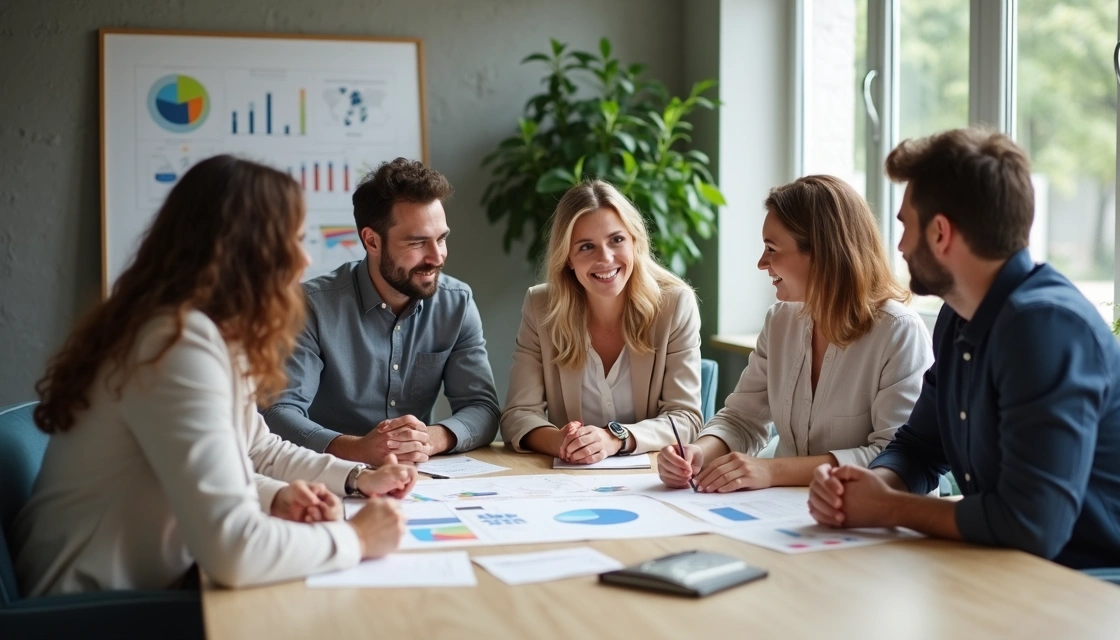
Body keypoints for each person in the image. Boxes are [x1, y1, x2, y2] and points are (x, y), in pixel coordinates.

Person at [14, 155, 413, 596]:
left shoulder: (202, 332)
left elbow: (256, 449)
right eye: (293, 240)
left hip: (149, 590)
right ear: (245, 250)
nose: (305, 259)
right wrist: (357, 538)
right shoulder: (174, 343)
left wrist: (349, 479)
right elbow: (233, 550)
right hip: (90, 613)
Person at [808, 128, 1120, 569]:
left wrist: (887, 508)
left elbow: (1032, 525)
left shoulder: (1044, 327)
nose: (900, 245)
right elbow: (920, 448)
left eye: (906, 225)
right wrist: (864, 487)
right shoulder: (958, 316)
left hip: (1106, 590)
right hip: (1014, 570)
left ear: (941, 233)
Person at [657, 175, 932, 493]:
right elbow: (741, 419)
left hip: (868, 520)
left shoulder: (899, 332)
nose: (762, 263)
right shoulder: (780, 321)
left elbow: (894, 458)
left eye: (771, 249)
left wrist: (773, 471)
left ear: (822, 253)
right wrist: (698, 452)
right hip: (785, 511)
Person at [264, 158, 500, 466]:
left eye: (441, 239)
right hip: (325, 476)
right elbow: (278, 413)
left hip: (419, 479)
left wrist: (429, 439)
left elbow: (482, 407)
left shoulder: (456, 303)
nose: (436, 257)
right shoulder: (311, 306)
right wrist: (357, 449)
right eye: (417, 243)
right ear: (372, 241)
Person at [500, 180, 702, 463]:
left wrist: (614, 438)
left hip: (652, 481)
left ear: (635, 242)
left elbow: (686, 418)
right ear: (568, 258)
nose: (605, 258)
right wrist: (563, 442)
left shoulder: (674, 305)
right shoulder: (540, 306)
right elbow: (517, 414)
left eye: (616, 240)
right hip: (568, 481)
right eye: (586, 247)